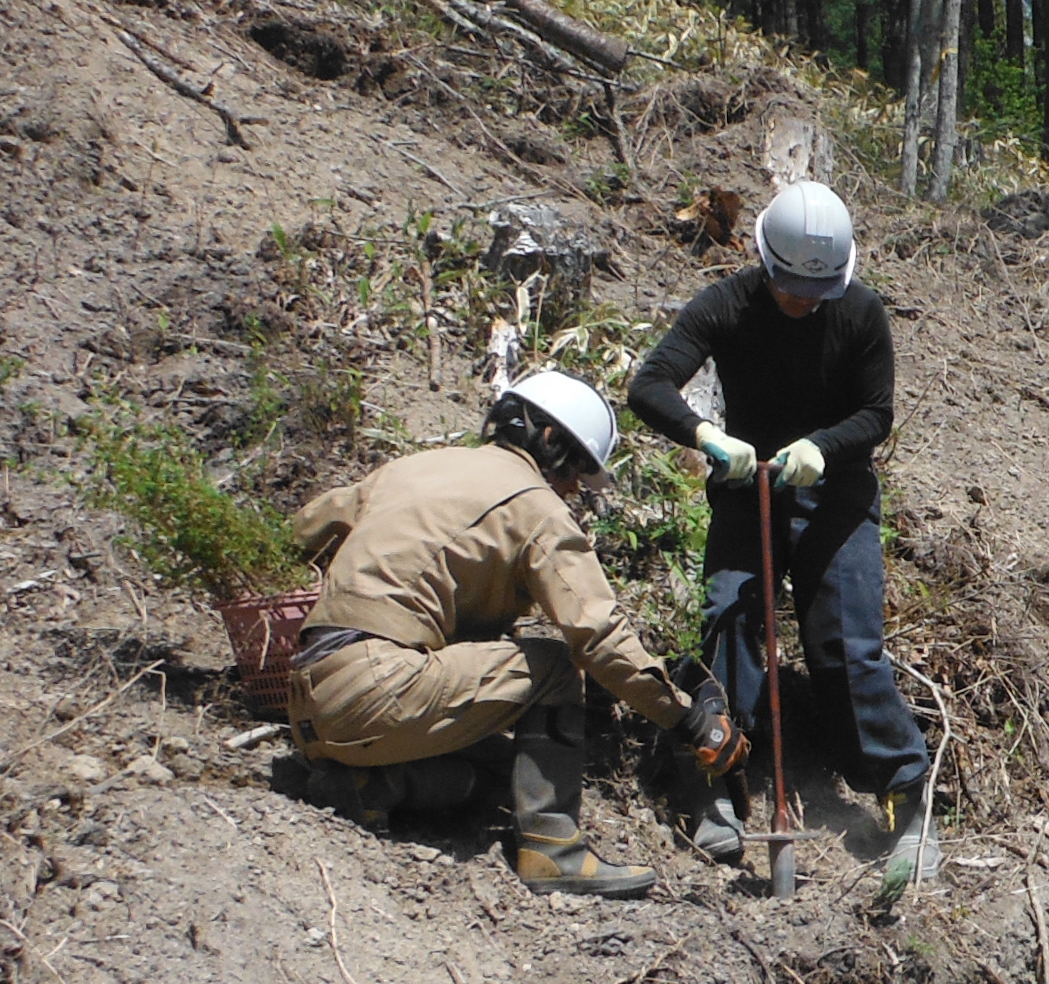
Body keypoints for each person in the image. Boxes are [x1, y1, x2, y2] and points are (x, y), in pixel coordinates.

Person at [288, 369, 745, 899]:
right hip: (378, 690)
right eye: (576, 470)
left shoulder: (412, 468)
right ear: (549, 440)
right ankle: (553, 852)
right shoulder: (537, 507)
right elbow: (597, 635)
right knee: (552, 666)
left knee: (506, 776)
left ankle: (365, 785)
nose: (575, 489)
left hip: (307, 700)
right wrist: (688, 719)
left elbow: (305, 529)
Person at [625, 180, 932, 898]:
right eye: (792, 288)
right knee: (728, 623)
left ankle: (905, 794)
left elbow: (876, 412)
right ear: (765, 262)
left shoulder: (859, 313)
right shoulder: (727, 305)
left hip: (835, 494)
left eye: (817, 291)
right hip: (747, 486)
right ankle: (722, 783)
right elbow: (652, 384)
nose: (804, 302)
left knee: (846, 645)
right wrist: (706, 437)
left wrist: (824, 448)